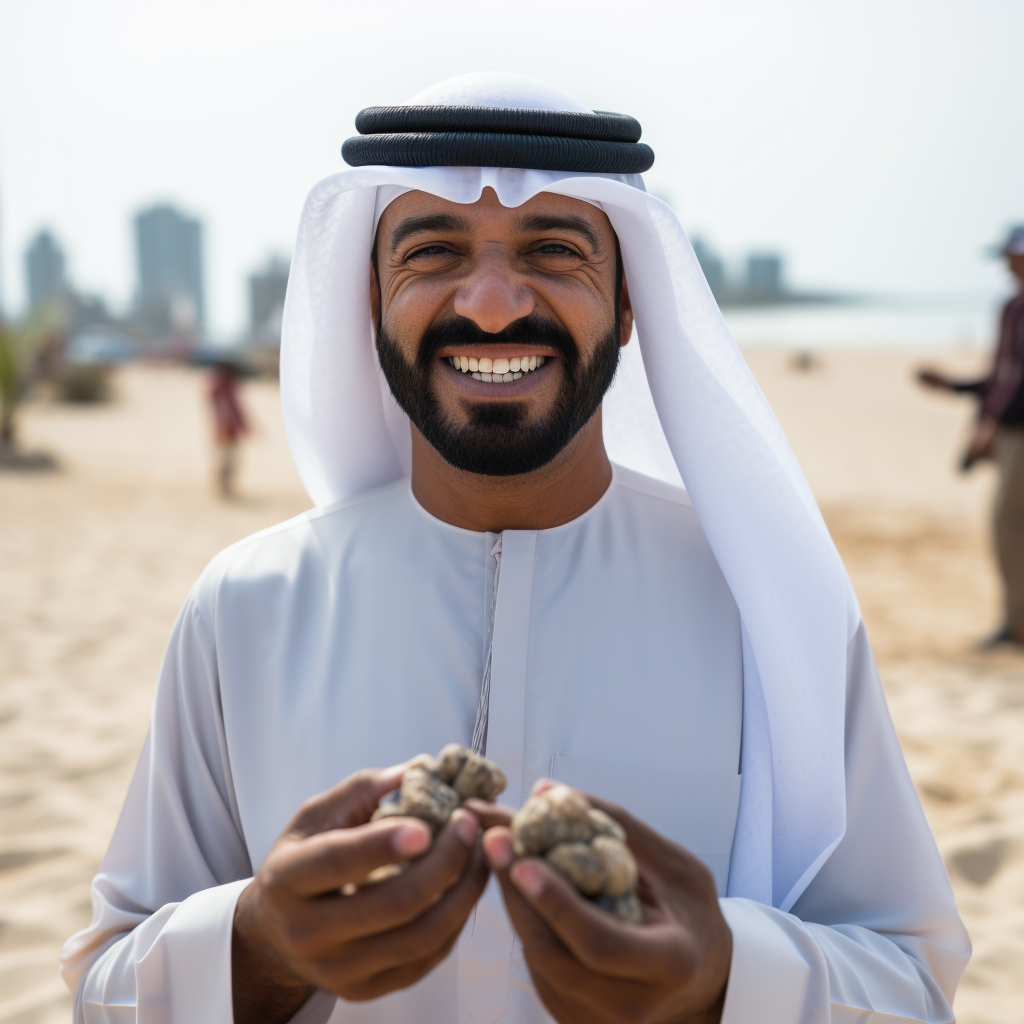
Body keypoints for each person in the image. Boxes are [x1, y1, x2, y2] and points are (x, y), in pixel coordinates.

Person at [61, 74, 968, 1024]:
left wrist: (724, 980)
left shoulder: (764, 604)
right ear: (371, 307)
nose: (492, 305)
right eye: (434, 253)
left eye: (554, 250)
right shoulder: (247, 604)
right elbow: (103, 985)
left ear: (627, 306)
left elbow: (911, 978)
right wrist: (257, 948)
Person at [919, 225, 1024, 644]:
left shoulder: (1017, 308)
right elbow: (1005, 380)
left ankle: (1017, 626)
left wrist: (990, 423)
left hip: (1017, 432)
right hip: (1011, 428)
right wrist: (955, 387)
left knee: (1007, 523)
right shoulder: (1013, 306)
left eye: (1010, 255)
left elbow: (1015, 382)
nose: (1005, 264)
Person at [209, 359, 249, 499]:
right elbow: (224, 410)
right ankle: (223, 488)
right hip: (226, 429)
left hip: (228, 429)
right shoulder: (222, 388)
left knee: (228, 459)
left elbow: (237, 409)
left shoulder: (224, 386)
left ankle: (225, 487)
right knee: (226, 460)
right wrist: (223, 428)